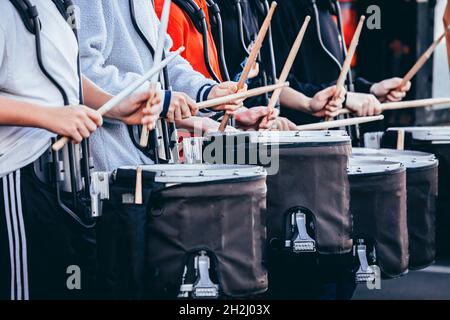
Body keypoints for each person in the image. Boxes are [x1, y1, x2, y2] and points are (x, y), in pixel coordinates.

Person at [0, 0, 159, 300]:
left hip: (65, 189)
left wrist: (117, 105)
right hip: (19, 183)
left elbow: (64, 74)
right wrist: (48, 116)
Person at [269, 0, 411, 125]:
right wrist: (344, 98)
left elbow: (333, 80)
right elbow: (276, 86)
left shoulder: (325, 7)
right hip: (301, 141)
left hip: (331, 136)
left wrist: (371, 90)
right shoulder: (282, 7)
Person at [212, 0, 346, 129]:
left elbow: (261, 79)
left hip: (256, 122)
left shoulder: (254, 5)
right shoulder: (212, 7)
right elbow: (203, 87)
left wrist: (307, 103)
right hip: (223, 132)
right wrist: (239, 117)